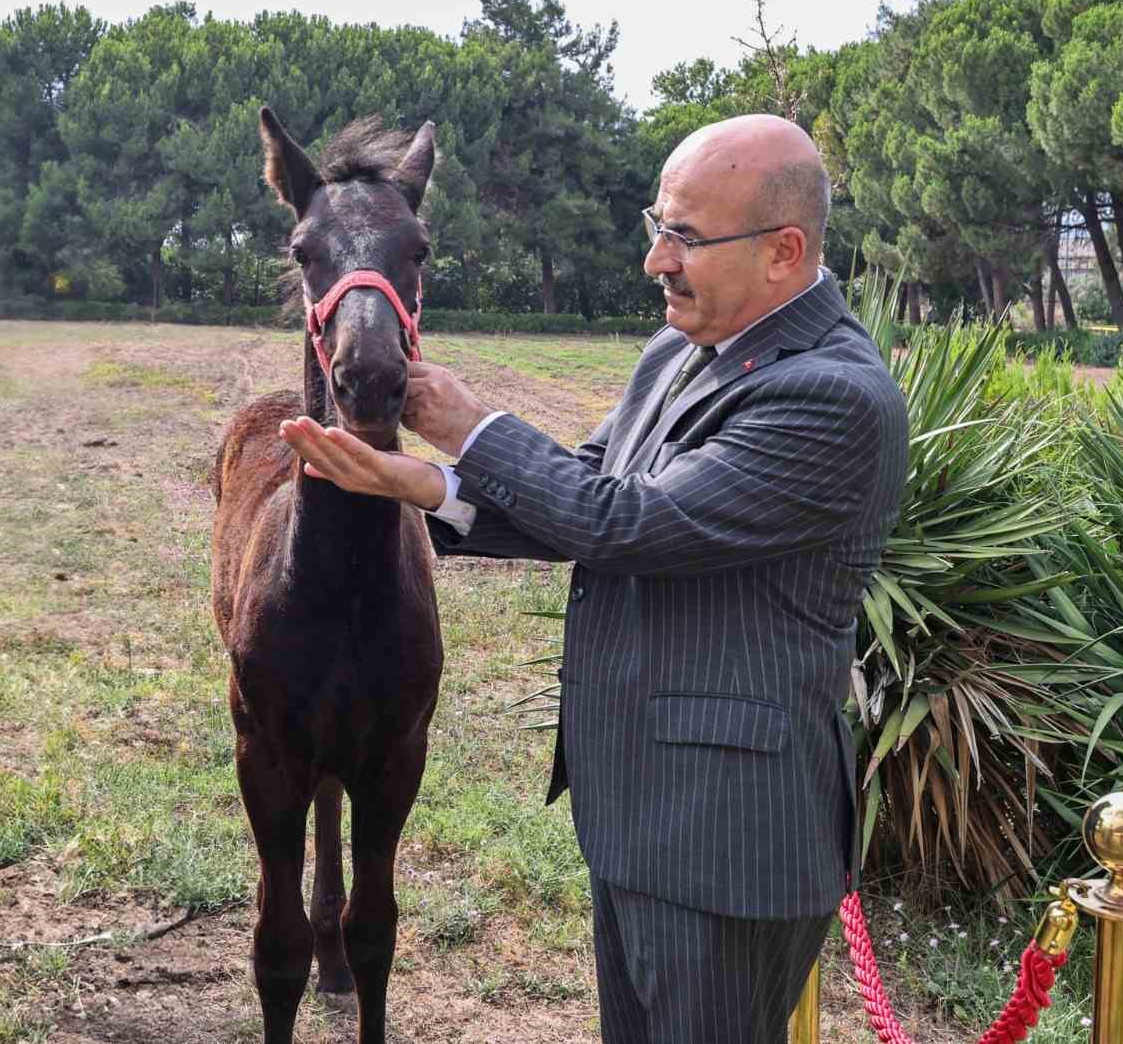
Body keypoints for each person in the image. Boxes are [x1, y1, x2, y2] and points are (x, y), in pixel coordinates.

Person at [279, 114, 909, 1043]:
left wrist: (468, 428)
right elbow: (589, 488)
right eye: (657, 224)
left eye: (685, 237)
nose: (657, 259)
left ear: (784, 252)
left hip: (727, 848)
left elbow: (626, 524)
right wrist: (423, 484)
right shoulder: (680, 349)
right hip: (636, 819)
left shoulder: (833, 396)